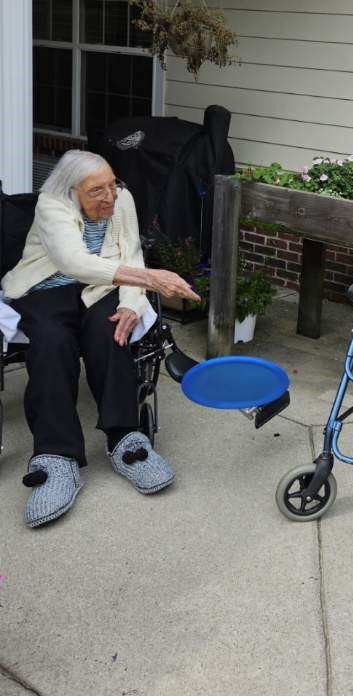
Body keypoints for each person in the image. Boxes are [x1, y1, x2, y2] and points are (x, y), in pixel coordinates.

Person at [1, 150, 200, 528]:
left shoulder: (121, 199)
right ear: (72, 189)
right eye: (97, 190)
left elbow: (133, 255)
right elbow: (73, 262)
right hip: (45, 288)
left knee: (114, 331)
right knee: (50, 341)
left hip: (99, 289)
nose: (109, 197)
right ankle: (57, 457)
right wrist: (153, 280)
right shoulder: (51, 203)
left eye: (113, 184)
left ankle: (126, 438)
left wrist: (131, 304)